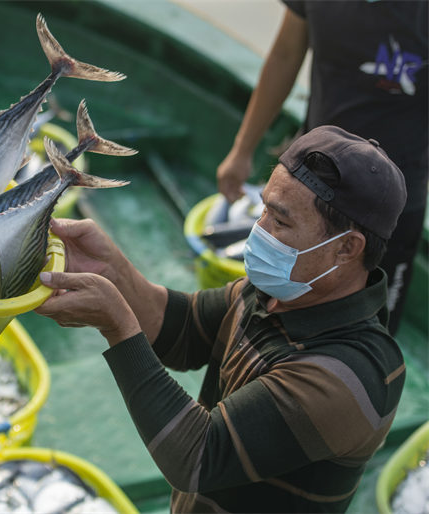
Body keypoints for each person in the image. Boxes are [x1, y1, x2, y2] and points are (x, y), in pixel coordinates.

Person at [36, 126, 407, 513]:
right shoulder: (280, 292)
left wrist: (117, 325)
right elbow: (181, 329)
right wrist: (113, 270)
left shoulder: (350, 376)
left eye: (280, 222)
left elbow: (198, 457)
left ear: (346, 247)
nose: (259, 231)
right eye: (263, 208)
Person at [216, 0, 427, 335]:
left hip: (392, 209)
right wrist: (242, 150)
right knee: (268, 314)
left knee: (376, 335)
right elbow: (285, 54)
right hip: (310, 187)